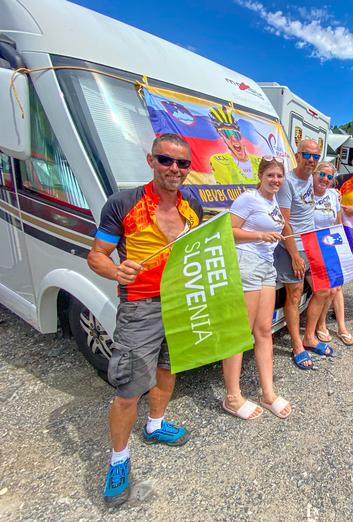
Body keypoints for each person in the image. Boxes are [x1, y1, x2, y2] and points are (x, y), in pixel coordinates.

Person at [87, 134, 203, 506]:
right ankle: (118, 459)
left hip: (181, 302)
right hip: (140, 306)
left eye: (182, 163)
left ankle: (154, 425)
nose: (174, 169)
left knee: (168, 367)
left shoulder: (193, 205)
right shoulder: (123, 203)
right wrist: (116, 271)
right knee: (129, 387)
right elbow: (96, 256)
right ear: (151, 161)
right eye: (166, 160)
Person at [221, 157, 291, 420]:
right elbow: (228, 231)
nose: (275, 180)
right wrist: (260, 235)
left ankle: (268, 393)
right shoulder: (248, 198)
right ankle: (232, 397)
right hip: (246, 262)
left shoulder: (272, 202)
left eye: (279, 176)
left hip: (265, 265)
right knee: (241, 331)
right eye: (271, 175)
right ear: (260, 176)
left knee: (263, 330)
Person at [274, 139, 334, 370]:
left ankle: (310, 336)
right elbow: (284, 222)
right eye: (306, 155)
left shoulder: (312, 178)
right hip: (293, 245)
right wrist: (295, 256)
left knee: (324, 289)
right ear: (297, 155)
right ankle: (297, 345)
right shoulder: (287, 182)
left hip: (311, 242)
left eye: (315, 156)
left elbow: (327, 191)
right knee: (295, 294)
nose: (311, 160)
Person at [311, 162, 353, 346]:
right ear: (314, 174)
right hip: (312, 243)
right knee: (329, 288)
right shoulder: (306, 194)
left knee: (337, 286)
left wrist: (342, 247)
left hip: (330, 242)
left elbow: (338, 222)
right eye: (322, 174)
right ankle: (321, 324)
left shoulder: (333, 195)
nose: (325, 179)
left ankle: (341, 326)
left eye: (330, 177)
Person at [209, 105, 261, 185]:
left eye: (236, 134)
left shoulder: (259, 161)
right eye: (227, 133)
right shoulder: (219, 160)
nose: (234, 139)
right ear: (221, 136)